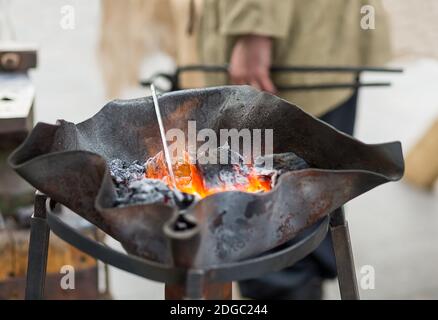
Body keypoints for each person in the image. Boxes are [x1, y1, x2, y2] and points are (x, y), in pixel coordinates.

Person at [195, 0, 391, 299]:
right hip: (317, 39)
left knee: (273, 234)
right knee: (306, 217)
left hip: (287, 51)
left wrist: (253, 26)